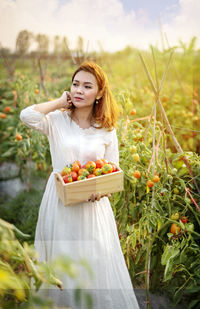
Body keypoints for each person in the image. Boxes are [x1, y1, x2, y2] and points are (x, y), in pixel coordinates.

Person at [20, 61, 140, 309]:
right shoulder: (56, 120)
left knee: (93, 263)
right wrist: (59, 102)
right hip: (59, 202)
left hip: (92, 208)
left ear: (99, 94)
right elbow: (26, 116)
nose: (79, 90)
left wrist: (101, 191)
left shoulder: (106, 129)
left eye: (87, 86)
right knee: (61, 262)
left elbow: (113, 170)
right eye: (75, 84)